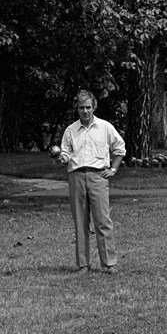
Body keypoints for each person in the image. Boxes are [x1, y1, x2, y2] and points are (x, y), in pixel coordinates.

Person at [56, 90, 126, 275]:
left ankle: (109, 263)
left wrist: (113, 169)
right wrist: (61, 158)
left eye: (88, 107)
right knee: (80, 222)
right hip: (76, 177)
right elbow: (65, 152)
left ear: (94, 107)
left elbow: (119, 148)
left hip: (98, 177)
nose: (85, 111)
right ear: (76, 109)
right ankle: (83, 265)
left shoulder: (105, 127)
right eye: (81, 108)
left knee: (103, 220)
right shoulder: (70, 130)